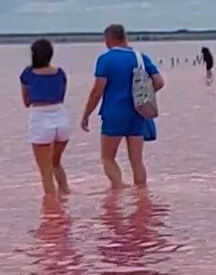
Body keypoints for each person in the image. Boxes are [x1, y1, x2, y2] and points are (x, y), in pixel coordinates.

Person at [80, 23, 164, 189]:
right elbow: (159, 82)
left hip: (114, 112)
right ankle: (141, 198)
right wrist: (144, 94)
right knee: (137, 161)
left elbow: (97, 90)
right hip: (137, 112)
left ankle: (118, 191)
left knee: (108, 158)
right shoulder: (141, 57)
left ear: (109, 38)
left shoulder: (105, 59)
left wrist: (86, 114)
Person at [20, 38, 72, 199]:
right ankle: (65, 195)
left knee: (45, 171)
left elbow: (27, 102)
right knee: (56, 162)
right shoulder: (60, 73)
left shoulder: (27, 73)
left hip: (40, 118)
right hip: (61, 118)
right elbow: (61, 96)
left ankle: (52, 211)